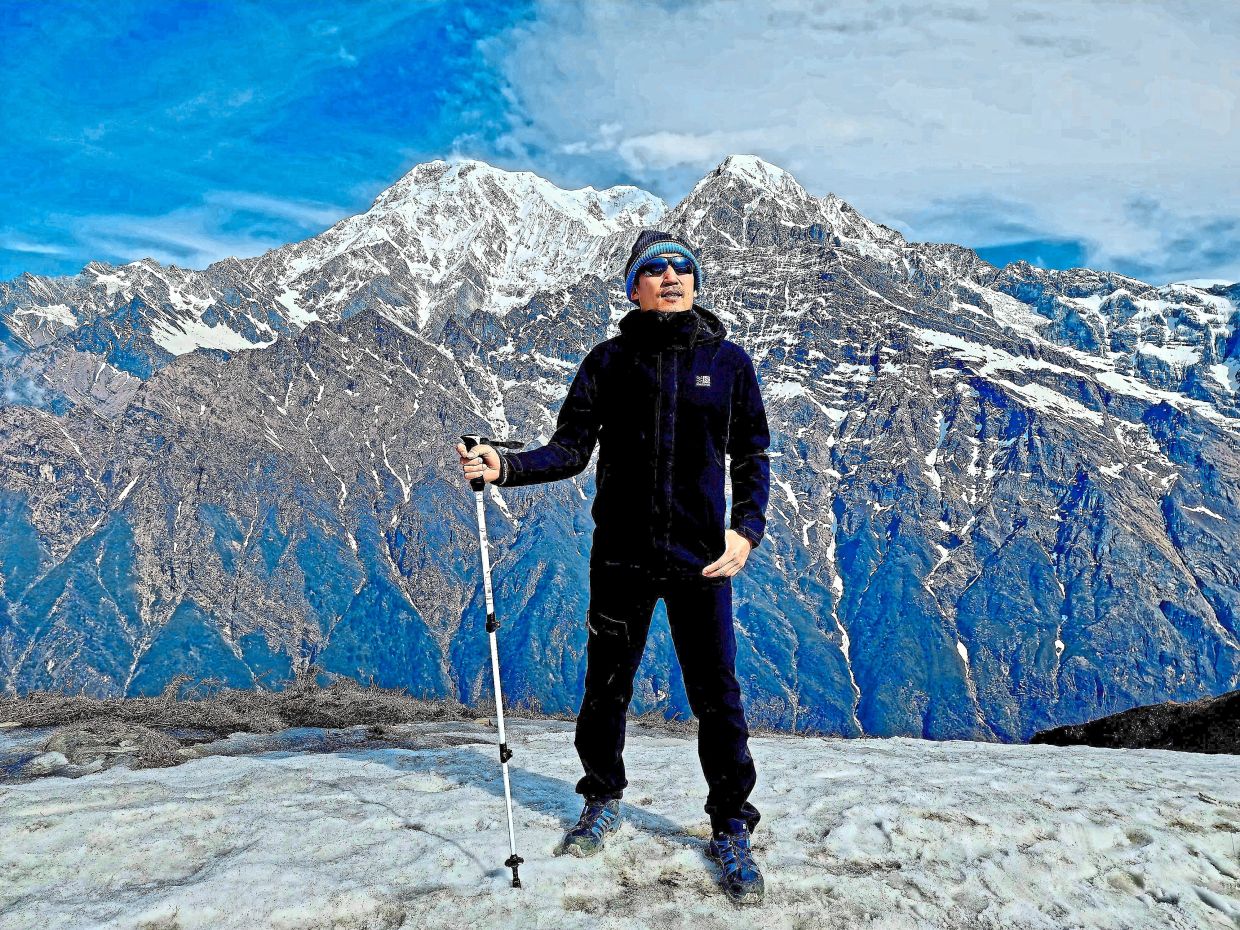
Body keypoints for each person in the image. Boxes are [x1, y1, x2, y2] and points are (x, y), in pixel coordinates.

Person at [455, 229, 770, 904]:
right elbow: (570, 450)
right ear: (634, 288)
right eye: (653, 269)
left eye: (682, 267)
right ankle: (601, 797)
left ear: (696, 282)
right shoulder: (608, 361)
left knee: (717, 694)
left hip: (701, 561)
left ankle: (730, 823)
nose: (670, 276)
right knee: (606, 687)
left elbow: (751, 455)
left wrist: (747, 530)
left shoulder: (729, 363)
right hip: (621, 558)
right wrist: (505, 467)